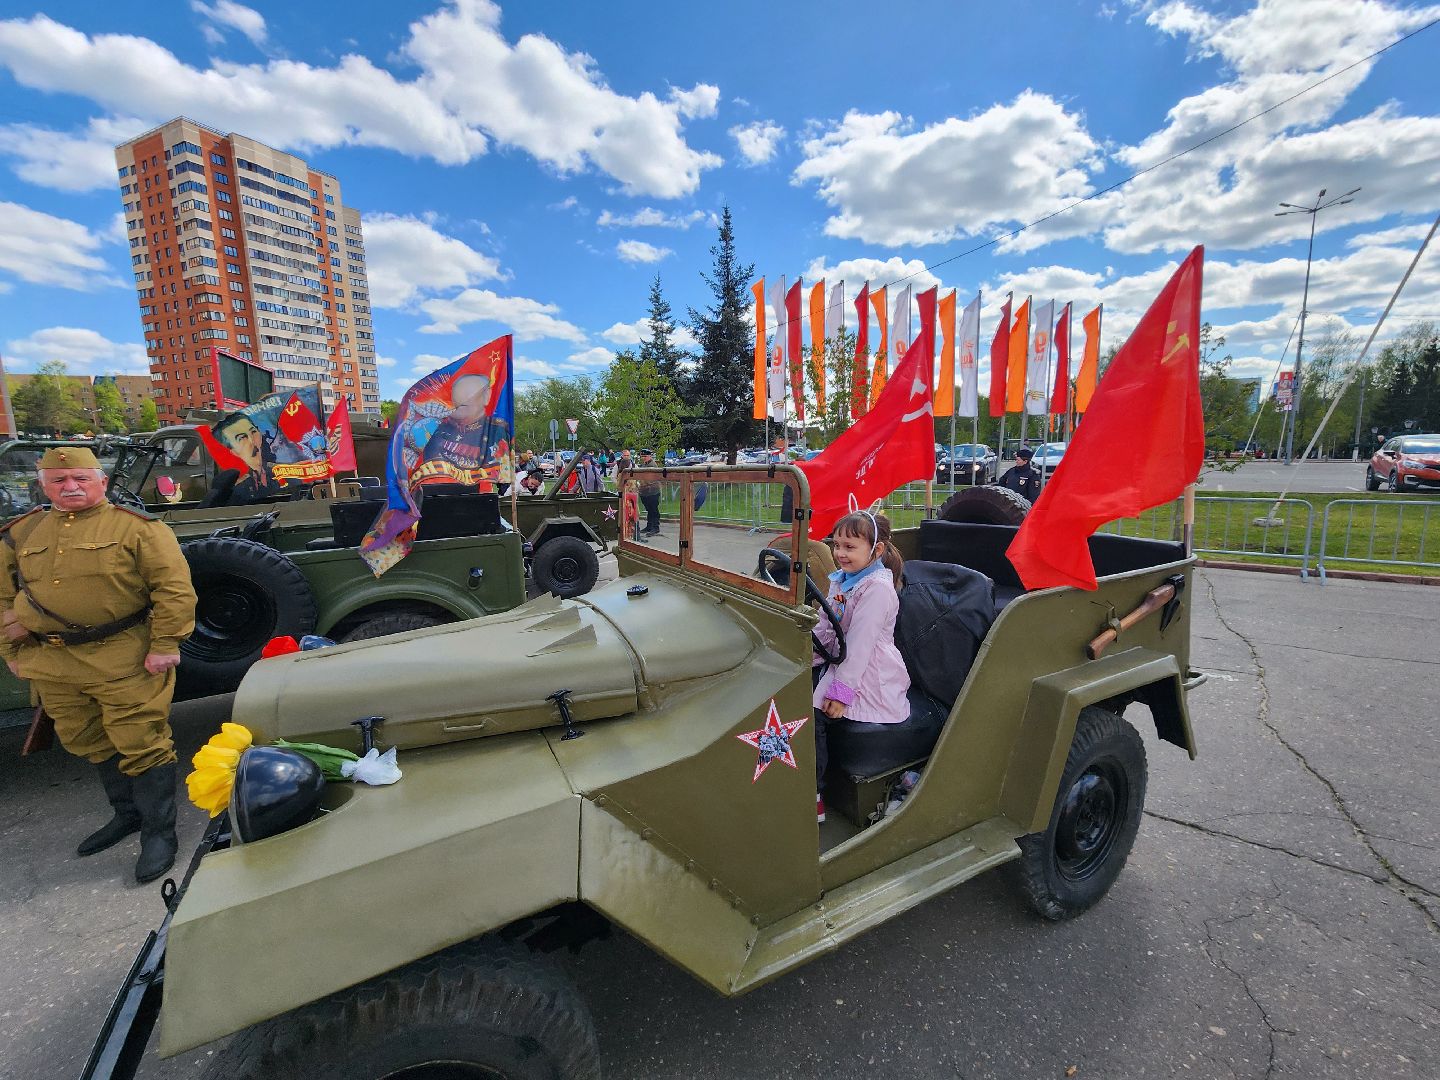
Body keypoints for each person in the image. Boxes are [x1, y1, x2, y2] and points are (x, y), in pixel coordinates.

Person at [0, 448, 197, 883]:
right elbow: (4, 597)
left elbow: (174, 589)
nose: (70, 487)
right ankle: (127, 815)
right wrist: (13, 652)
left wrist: (166, 643)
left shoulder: (137, 528)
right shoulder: (21, 532)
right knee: (85, 737)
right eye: (58, 480)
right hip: (52, 661)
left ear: (101, 482)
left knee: (141, 740)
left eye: (80, 478)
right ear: (43, 485)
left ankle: (159, 834)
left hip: (122, 655)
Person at [811, 510, 909, 823]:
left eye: (850, 547)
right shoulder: (843, 579)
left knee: (810, 714)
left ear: (876, 551)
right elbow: (827, 624)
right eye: (836, 545)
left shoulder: (877, 589)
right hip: (840, 660)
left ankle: (812, 796)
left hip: (868, 675)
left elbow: (860, 645)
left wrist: (841, 694)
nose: (839, 553)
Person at [214, 411, 285, 503]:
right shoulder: (237, 488)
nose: (252, 441)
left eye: (253, 432)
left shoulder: (283, 472)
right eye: (242, 438)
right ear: (233, 451)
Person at [636, 449, 662, 536]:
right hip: (646, 491)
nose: (643, 458)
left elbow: (649, 479)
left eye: (645, 456)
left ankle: (655, 527)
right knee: (649, 510)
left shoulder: (652, 465)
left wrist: (642, 484)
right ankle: (649, 526)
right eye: (642, 456)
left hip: (652, 491)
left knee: (654, 510)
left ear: (650, 456)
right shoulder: (645, 464)